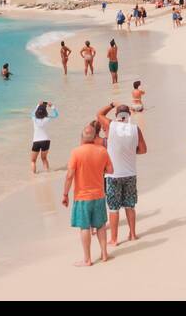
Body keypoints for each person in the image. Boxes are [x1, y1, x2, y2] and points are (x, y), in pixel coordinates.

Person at [62, 124, 113, 266]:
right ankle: (104, 254)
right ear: (94, 138)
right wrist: (98, 171)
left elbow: (70, 175)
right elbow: (110, 170)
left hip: (83, 197)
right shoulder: (102, 151)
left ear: (82, 137)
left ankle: (87, 259)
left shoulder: (76, 152)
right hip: (99, 194)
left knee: (85, 227)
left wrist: (65, 194)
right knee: (101, 225)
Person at [105, 104, 147, 245]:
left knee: (113, 208)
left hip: (113, 175)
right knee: (130, 206)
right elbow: (143, 150)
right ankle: (133, 234)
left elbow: (98, 114)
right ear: (129, 114)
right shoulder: (135, 129)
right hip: (130, 174)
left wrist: (111, 104)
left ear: (116, 114)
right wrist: (130, 152)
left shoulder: (111, 125)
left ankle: (114, 239)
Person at [30, 101, 58, 173]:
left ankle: (33, 176)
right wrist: (52, 106)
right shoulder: (47, 118)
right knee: (44, 158)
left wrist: (38, 104)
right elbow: (56, 115)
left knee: (33, 160)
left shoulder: (34, 119)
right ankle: (47, 173)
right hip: (46, 141)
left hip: (36, 141)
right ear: (45, 112)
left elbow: (32, 113)